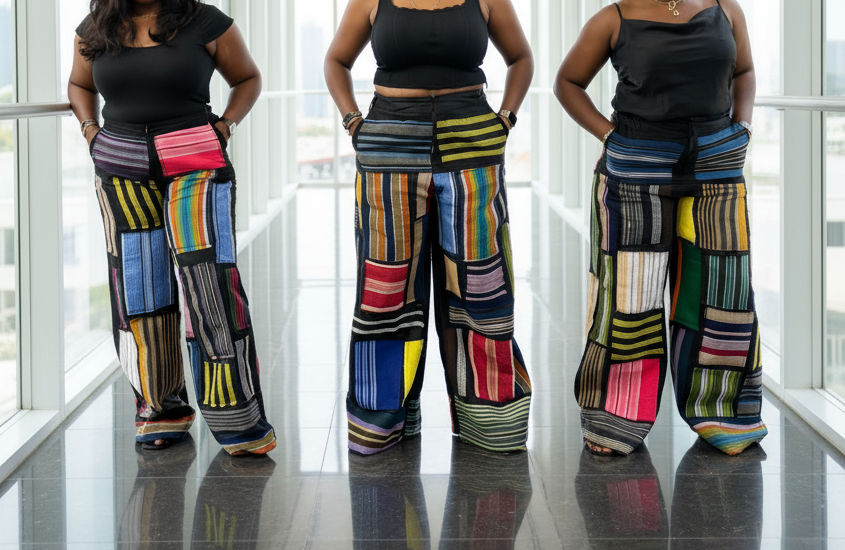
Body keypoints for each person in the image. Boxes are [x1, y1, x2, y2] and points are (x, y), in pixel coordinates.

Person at [555, 0, 767, 456]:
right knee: (629, 300)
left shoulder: (726, 10)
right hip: (636, 169)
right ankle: (617, 413)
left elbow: (745, 71)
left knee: (722, 297)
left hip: (716, 166)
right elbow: (567, 82)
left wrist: (745, 126)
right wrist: (608, 136)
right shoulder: (613, 18)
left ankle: (724, 412)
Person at [325, 0, 534, 455]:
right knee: (387, 286)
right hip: (390, 146)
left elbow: (521, 57)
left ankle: (490, 419)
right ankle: (382, 418)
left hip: (472, 144)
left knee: (481, 284)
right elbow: (336, 61)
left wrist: (505, 120)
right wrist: (353, 122)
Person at [68, 0, 276, 455]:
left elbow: (247, 78)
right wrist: (90, 132)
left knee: (210, 282)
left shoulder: (206, 20)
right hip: (120, 165)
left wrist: (225, 126)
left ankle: (236, 418)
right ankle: (161, 410)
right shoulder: (96, 26)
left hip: (195, 162)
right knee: (139, 289)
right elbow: (79, 84)